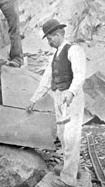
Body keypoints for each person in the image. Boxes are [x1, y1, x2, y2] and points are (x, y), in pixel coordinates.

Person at [26, 19, 85, 187]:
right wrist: (34, 100)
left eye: (50, 38)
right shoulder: (55, 55)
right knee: (62, 134)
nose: (49, 42)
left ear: (58, 35)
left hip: (72, 99)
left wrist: (71, 92)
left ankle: (68, 180)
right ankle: (71, 168)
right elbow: (46, 80)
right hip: (59, 99)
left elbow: (80, 74)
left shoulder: (74, 50)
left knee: (70, 136)